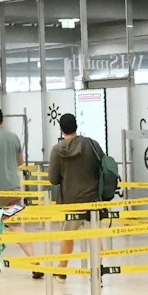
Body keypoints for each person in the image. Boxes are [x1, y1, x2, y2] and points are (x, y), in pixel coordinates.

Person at [47, 114, 102, 276]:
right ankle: (99, 270)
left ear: (61, 129)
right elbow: (102, 166)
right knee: (96, 236)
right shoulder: (91, 145)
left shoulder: (58, 150)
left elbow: (53, 179)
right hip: (92, 200)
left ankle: (62, 269)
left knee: (68, 236)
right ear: (76, 126)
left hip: (70, 201)